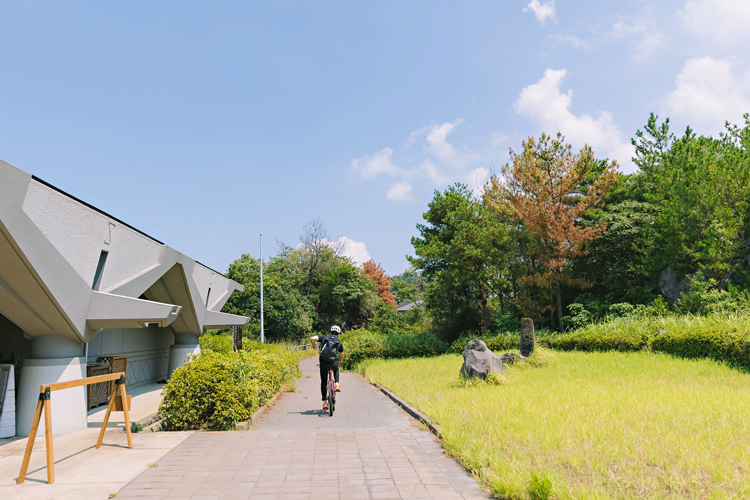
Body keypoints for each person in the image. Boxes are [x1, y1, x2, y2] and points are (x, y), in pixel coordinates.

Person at [310, 325, 344, 411]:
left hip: (324, 363)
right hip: (333, 362)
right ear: (338, 334)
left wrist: (314, 346)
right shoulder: (338, 342)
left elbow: (312, 338)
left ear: (330, 332)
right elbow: (341, 354)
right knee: (336, 369)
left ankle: (325, 401)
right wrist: (340, 361)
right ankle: (336, 384)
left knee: (324, 382)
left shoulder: (324, 338)